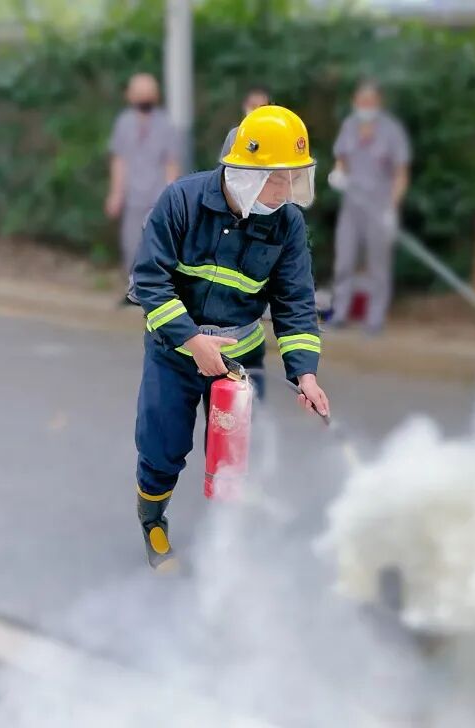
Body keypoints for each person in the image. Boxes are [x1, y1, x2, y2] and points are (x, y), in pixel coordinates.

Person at [131, 105, 330, 570]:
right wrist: (190, 340)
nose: (284, 192)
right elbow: (150, 280)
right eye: (275, 179)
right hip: (174, 353)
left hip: (240, 363)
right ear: (244, 173)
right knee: (162, 446)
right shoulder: (181, 202)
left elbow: (295, 302)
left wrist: (305, 374)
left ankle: (225, 544)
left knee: (232, 460)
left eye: (292, 178)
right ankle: (153, 520)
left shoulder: (287, 223)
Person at [328, 80, 411, 335]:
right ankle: (339, 313)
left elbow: (401, 173)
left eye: (370, 101)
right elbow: (341, 158)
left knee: (378, 265)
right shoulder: (349, 126)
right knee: (344, 260)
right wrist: (338, 173)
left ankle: (374, 320)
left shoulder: (392, 130)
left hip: (380, 206)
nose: (366, 105)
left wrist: (391, 210)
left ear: (378, 102)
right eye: (362, 101)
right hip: (351, 205)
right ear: (355, 102)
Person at [106, 73, 181, 297]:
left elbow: (171, 162)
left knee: (158, 246)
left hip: (157, 197)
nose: (144, 97)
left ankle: (158, 291)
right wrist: (116, 194)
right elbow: (119, 160)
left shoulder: (166, 124)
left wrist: (171, 196)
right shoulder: (124, 123)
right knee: (131, 244)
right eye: (139, 93)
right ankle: (134, 290)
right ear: (130, 95)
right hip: (132, 197)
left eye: (148, 93)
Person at [219, 86, 271, 161]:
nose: (257, 112)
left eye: (262, 108)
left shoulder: (276, 134)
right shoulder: (234, 134)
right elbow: (223, 165)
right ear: (245, 107)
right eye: (253, 107)